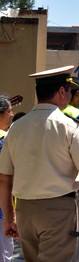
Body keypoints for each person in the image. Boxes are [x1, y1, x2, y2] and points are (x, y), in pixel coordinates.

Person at [0, 66, 79, 261]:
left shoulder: (16, 128)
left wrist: (9, 217)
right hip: (58, 210)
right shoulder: (69, 126)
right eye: (69, 91)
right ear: (61, 92)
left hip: (25, 209)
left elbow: (4, 179)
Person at [0, 96, 15, 261]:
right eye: (9, 111)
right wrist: (9, 216)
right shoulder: (3, 140)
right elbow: (4, 180)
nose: (12, 114)